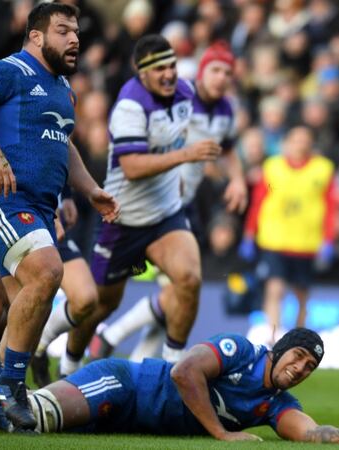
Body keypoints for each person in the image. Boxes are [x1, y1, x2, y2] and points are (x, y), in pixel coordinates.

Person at [0, 2, 120, 432]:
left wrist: (89, 188)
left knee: (4, 311)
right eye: (64, 31)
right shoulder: (9, 70)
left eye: (77, 32)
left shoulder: (64, 88)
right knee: (47, 273)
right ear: (37, 36)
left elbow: (63, 143)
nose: (75, 39)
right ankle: (11, 386)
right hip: (2, 198)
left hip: (39, 207)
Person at [65, 34, 223, 367]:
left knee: (189, 279)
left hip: (165, 215)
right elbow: (133, 167)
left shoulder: (185, 91)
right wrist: (186, 156)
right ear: (142, 72)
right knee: (99, 304)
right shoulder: (129, 106)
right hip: (122, 217)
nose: (169, 74)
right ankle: (69, 361)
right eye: (160, 68)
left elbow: (214, 116)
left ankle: (173, 369)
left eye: (172, 66)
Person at [90, 41, 248, 362]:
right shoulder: (180, 98)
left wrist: (238, 179)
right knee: (179, 288)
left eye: (227, 72)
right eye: (215, 70)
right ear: (202, 72)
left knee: (182, 290)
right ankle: (116, 340)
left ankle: (131, 358)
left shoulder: (226, 110)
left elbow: (228, 147)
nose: (221, 78)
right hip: (154, 205)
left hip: (185, 206)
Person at [0, 328, 339, 445]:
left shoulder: (275, 404)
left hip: (125, 421)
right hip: (123, 386)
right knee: (32, 419)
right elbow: (184, 372)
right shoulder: (242, 351)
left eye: (310, 366)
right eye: (299, 356)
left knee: (21, 419)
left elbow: (307, 430)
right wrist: (221, 433)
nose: (302, 367)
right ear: (279, 350)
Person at [240, 125, 337, 346]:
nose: (300, 145)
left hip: (306, 243)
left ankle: (297, 340)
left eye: (304, 140)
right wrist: (249, 233)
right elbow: (258, 201)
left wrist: (328, 239)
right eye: (296, 140)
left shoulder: (323, 169)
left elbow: (331, 207)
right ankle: (273, 339)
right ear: (287, 142)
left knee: (302, 294)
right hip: (274, 239)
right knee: (275, 289)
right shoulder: (272, 167)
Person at [31, 192, 102, 384]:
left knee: (86, 298)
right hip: (12, 214)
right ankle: (0, 390)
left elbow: (67, 160)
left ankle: (39, 345)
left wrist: (69, 194)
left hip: (51, 219)